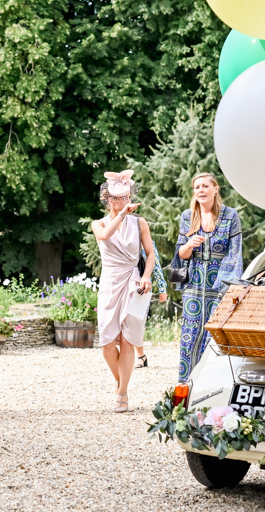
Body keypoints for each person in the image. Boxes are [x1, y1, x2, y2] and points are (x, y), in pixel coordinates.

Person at [91, 170, 163, 412]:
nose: (122, 201)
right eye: (117, 198)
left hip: (133, 283)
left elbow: (150, 254)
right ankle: (119, 379)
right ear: (108, 199)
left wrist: (146, 276)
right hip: (110, 283)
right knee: (107, 342)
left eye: (125, 197)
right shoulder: (98, 223)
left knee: (127, 340)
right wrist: (122, 214)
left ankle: (122, 393)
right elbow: (104, 236)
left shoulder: (140, 223)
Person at [170, 173, 244, 384]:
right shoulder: (188, 216)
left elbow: (235, 254)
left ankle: (213, 386)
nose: (200, 190)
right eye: (197, 187)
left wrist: (224, 285)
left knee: (215, 336)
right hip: (193, 286)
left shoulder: (230, 216)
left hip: (220, 287)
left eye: (205, 186)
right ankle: (186, 385)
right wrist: (189, 245)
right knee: (190, 335)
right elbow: (180, 254)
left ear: (215, 189)